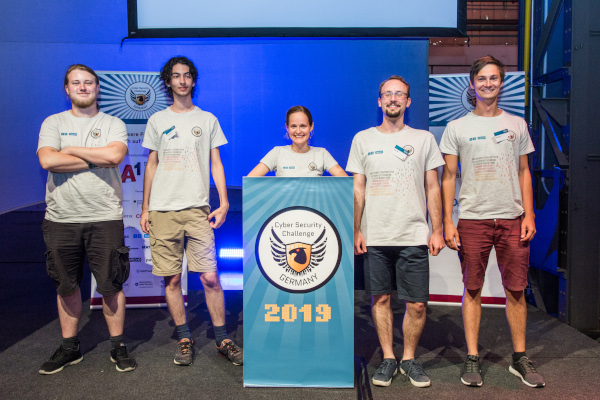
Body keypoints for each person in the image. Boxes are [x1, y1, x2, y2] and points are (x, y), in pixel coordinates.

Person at [440, 55, 545, 388]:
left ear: (502, 83)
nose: (487, 83)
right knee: (472, 288)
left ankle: (519, 358)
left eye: (493, 78)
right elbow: (448, 177)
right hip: (472, 219)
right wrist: (447, 221)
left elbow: (524, 172)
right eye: (481, 79)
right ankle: (472, 357)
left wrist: (528, 214)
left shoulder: (517, 125)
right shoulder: (456, 127)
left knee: (516, 289)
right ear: (472, 85)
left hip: (513, 219)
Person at [140, 56, 242, 367]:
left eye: (187, 76)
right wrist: (145, 208)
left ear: (193, 80)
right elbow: (152, 165)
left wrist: (223, 202)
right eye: (176, 76)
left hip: (198, 209)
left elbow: (216, 163)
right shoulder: (157, 120)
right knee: (172, 280)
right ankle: (184, 338)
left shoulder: (208, 119)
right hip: (162, 210)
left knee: (210, 277)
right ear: (168, 82)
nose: (182, 81)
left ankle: (222, 338)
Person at [346, 75, 445, 388]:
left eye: (399, 94)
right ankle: (389, 357)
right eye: (387, 94)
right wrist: (357, 229)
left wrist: (437, 229)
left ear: (408, 101)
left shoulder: (424, 140)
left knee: (416, 304)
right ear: (379, 101)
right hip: (375, 235)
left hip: (413, 234)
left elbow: (433, 186)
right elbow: (357, 188)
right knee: (381, 300)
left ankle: (409, 359)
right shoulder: (363, 139)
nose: (392, 99)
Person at [37, 64, 136, 374]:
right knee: (66, 286)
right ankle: (70, 348)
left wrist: (71, 151)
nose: (82, 87)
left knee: (111, 285)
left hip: (105, 216)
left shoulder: (113, 123)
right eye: (76, 83)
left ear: (97, 88)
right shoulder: (53, 122)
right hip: (61, 218)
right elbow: (48, 160)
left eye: (88, 83)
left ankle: (118, 346)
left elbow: (114, 157)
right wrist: (94, 157)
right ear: (67, 89)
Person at [248, 105, 348, 177]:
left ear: (311, 126)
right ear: (287, 127)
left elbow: (345, 182)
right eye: (293, 126)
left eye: (303, 126)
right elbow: (250, 181)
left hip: (313, 207)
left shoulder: (322, 154)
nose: (298, 131)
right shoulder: (277, 152)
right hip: (284, 207)